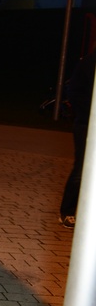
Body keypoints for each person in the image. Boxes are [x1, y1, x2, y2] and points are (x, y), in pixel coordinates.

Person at [60, 51, 96, 228]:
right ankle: (67, 211)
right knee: (81, 169)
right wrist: (88, 114)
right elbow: (74, 91)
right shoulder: (89, 62)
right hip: (86, 125)